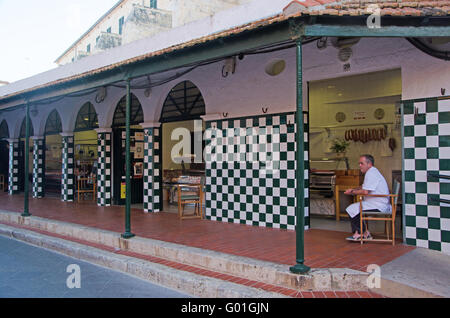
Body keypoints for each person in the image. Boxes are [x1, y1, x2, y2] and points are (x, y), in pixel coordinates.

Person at [344, 154, 391, 241]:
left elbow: (365, 192)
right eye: (359, 163)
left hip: (378, 205)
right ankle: (364, 233)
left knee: (351, 209)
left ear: (369, 164)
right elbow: (364, 187)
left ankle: (360, 233)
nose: (360, 166)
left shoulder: (371, 173)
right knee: (354, 208)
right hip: (376, 203)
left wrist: (352, 192)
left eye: (362, 163)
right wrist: (353, 189)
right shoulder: (372, 172)